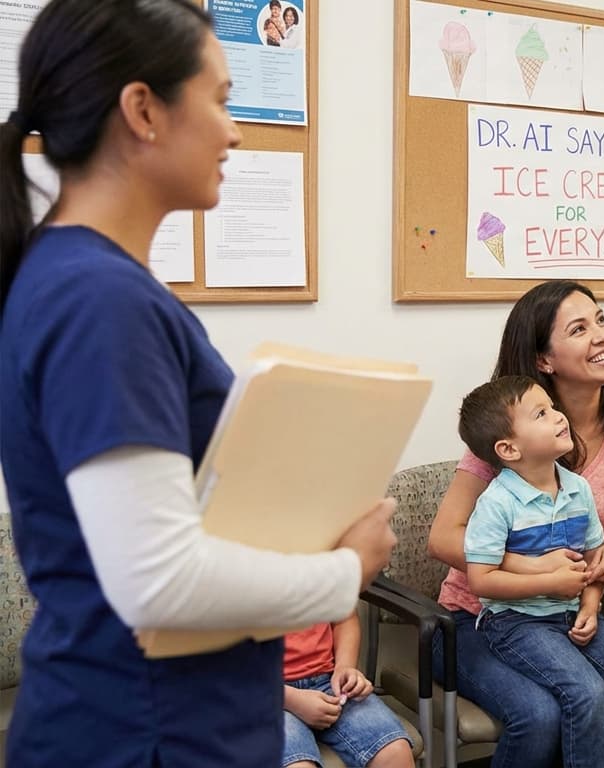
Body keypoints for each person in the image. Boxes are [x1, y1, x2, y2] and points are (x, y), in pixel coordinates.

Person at [0, 2, 395, 765]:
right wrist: (345, 571)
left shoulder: (92, 282)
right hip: (140, 731)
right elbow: (157, 580)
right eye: (219, 99)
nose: (236, 129)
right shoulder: (97, 296)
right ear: (143, 110)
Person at [426, 280, 604, 768]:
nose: (602, 335)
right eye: (579, 329)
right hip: (479, 616)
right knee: (541, 715)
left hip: (564, 611)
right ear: (543, 360)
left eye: (601, 319)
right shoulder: (511, 432)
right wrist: (533, 569)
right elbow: (443, 537)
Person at [459, 376, 604, 768]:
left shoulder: (578, 489)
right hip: (514, 623)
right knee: (586, 693)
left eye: (553, 408)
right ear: (508, 449)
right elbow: (482, 579)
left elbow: (592, 562)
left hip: (574, 614)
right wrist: (551, 582)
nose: (559, 417)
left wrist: (590, 606)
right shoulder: (497, 503)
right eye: (542, 414)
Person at [282, 618, 414, 768]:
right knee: (297, 765)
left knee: (394, 751)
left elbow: (344, 619)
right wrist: (291, 699)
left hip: (328, 680)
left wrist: (345, 667)